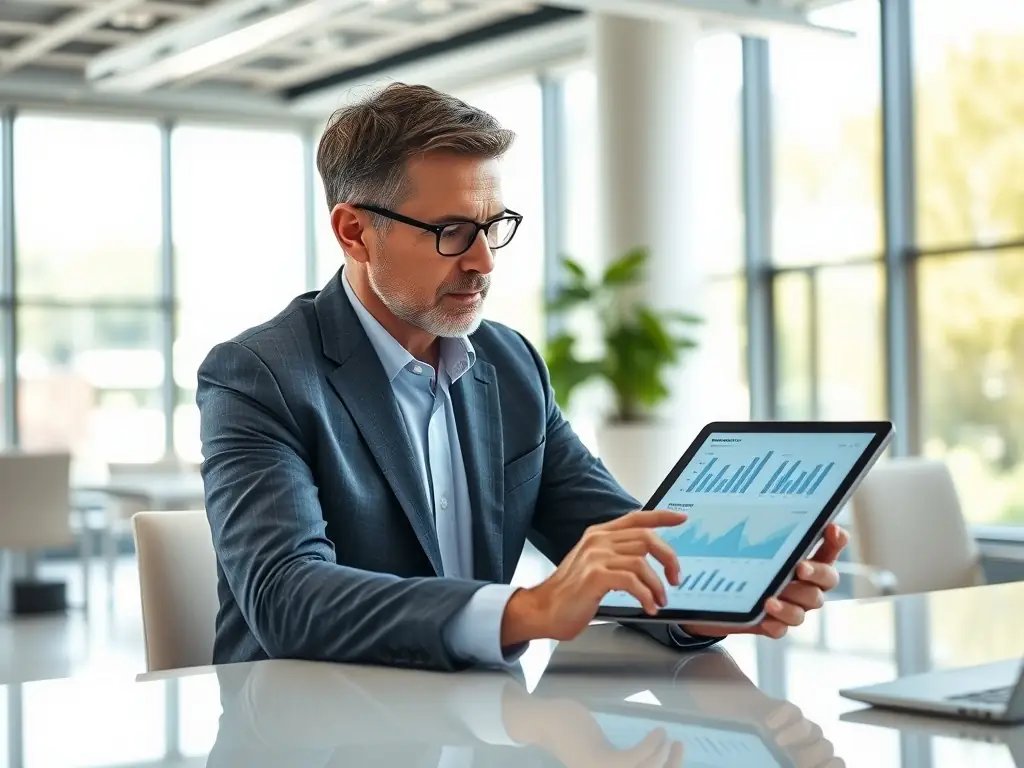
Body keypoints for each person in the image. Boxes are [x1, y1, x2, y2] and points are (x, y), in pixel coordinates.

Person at [197, 82, 847, 672]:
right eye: (451, 231)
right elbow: (286, 595)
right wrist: (524, 611)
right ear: (355, 232)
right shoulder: (259, 376)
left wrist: (705, 599)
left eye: (492, 227)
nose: (482, 261)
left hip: (480, 726)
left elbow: (612, 539)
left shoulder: (510, 367)